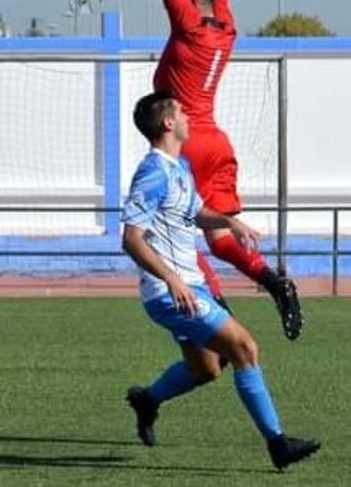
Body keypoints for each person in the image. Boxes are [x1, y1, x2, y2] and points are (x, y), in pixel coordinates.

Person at [122, 90, 320, 470]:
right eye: (181, 111)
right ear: (168, 123)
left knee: (206, 369)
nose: (188, 117)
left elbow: (196, 212)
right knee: (244, 347)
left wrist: (229, 221)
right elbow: (131, 238)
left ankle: (147, 400)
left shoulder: (179, 167)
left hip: (189, 285)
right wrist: (172, 279)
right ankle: (278, 444)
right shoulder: (153, 172)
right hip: (171, 292)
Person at [154, 0, 303, 340]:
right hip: (218, 143)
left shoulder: (189, 26)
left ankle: (216, 307)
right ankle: (274, 282)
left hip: (186, 143)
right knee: (219, 237)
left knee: (173, 232)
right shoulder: (225, 26)